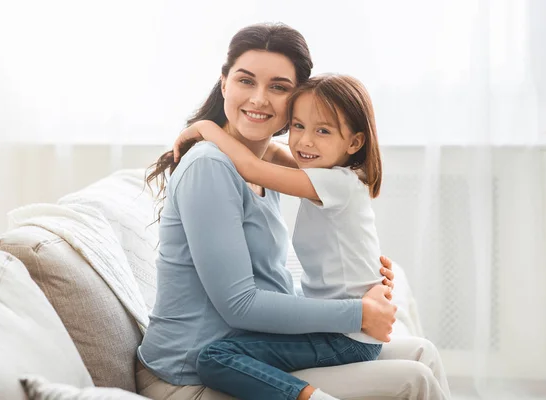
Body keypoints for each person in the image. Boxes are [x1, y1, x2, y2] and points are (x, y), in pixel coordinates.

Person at [140, 23, 450, 400]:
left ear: (297, 98)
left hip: (257, 349)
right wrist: (358, 312)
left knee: (423, 352)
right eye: (246, 81)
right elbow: (240, 305)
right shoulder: (210, 166)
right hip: (199, 370)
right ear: (224, 84)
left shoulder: (269, 163)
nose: (258, 99)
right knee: (412, 381)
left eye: (278, 87)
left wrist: (361, 276)